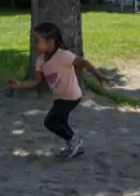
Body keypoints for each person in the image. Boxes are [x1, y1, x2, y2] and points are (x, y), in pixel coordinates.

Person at [6, 22, 108, 159]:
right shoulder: (40, 61)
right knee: (61, 123)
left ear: (50, 41)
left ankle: (75, 140)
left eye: (37, 41)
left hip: (71, 97)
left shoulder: (64, 56)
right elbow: (36, 82)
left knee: (50, 122)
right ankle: (73, 145)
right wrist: (20, 84)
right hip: (59, 97)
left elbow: (83, 62)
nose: (34, 45)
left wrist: (98, 76)